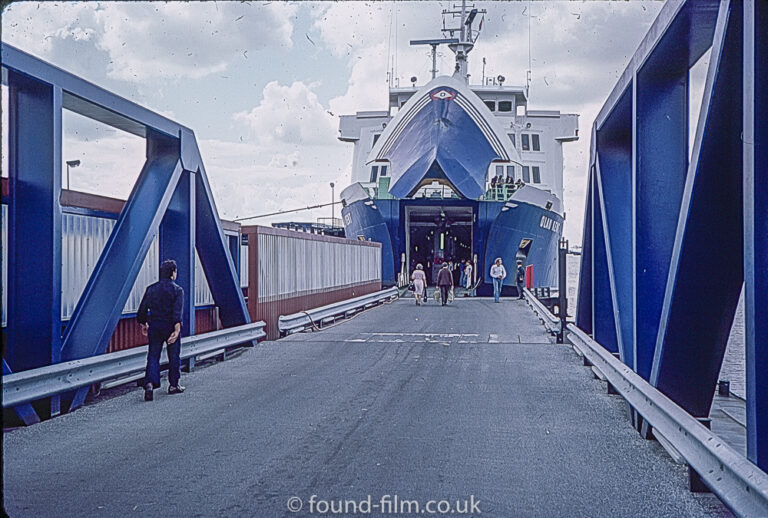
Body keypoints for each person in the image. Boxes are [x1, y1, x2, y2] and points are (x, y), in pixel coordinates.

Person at [137, 259, 185, 401]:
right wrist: (176, 331)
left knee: (153, 355)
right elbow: (177, 313)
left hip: (155, 326)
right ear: (172, 273)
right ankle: (173, 385)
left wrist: (144, 324)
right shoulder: (178, 290)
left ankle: (150, 383)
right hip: (170, 326)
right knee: (174, 356)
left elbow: (142, 311)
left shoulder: (151, 289)